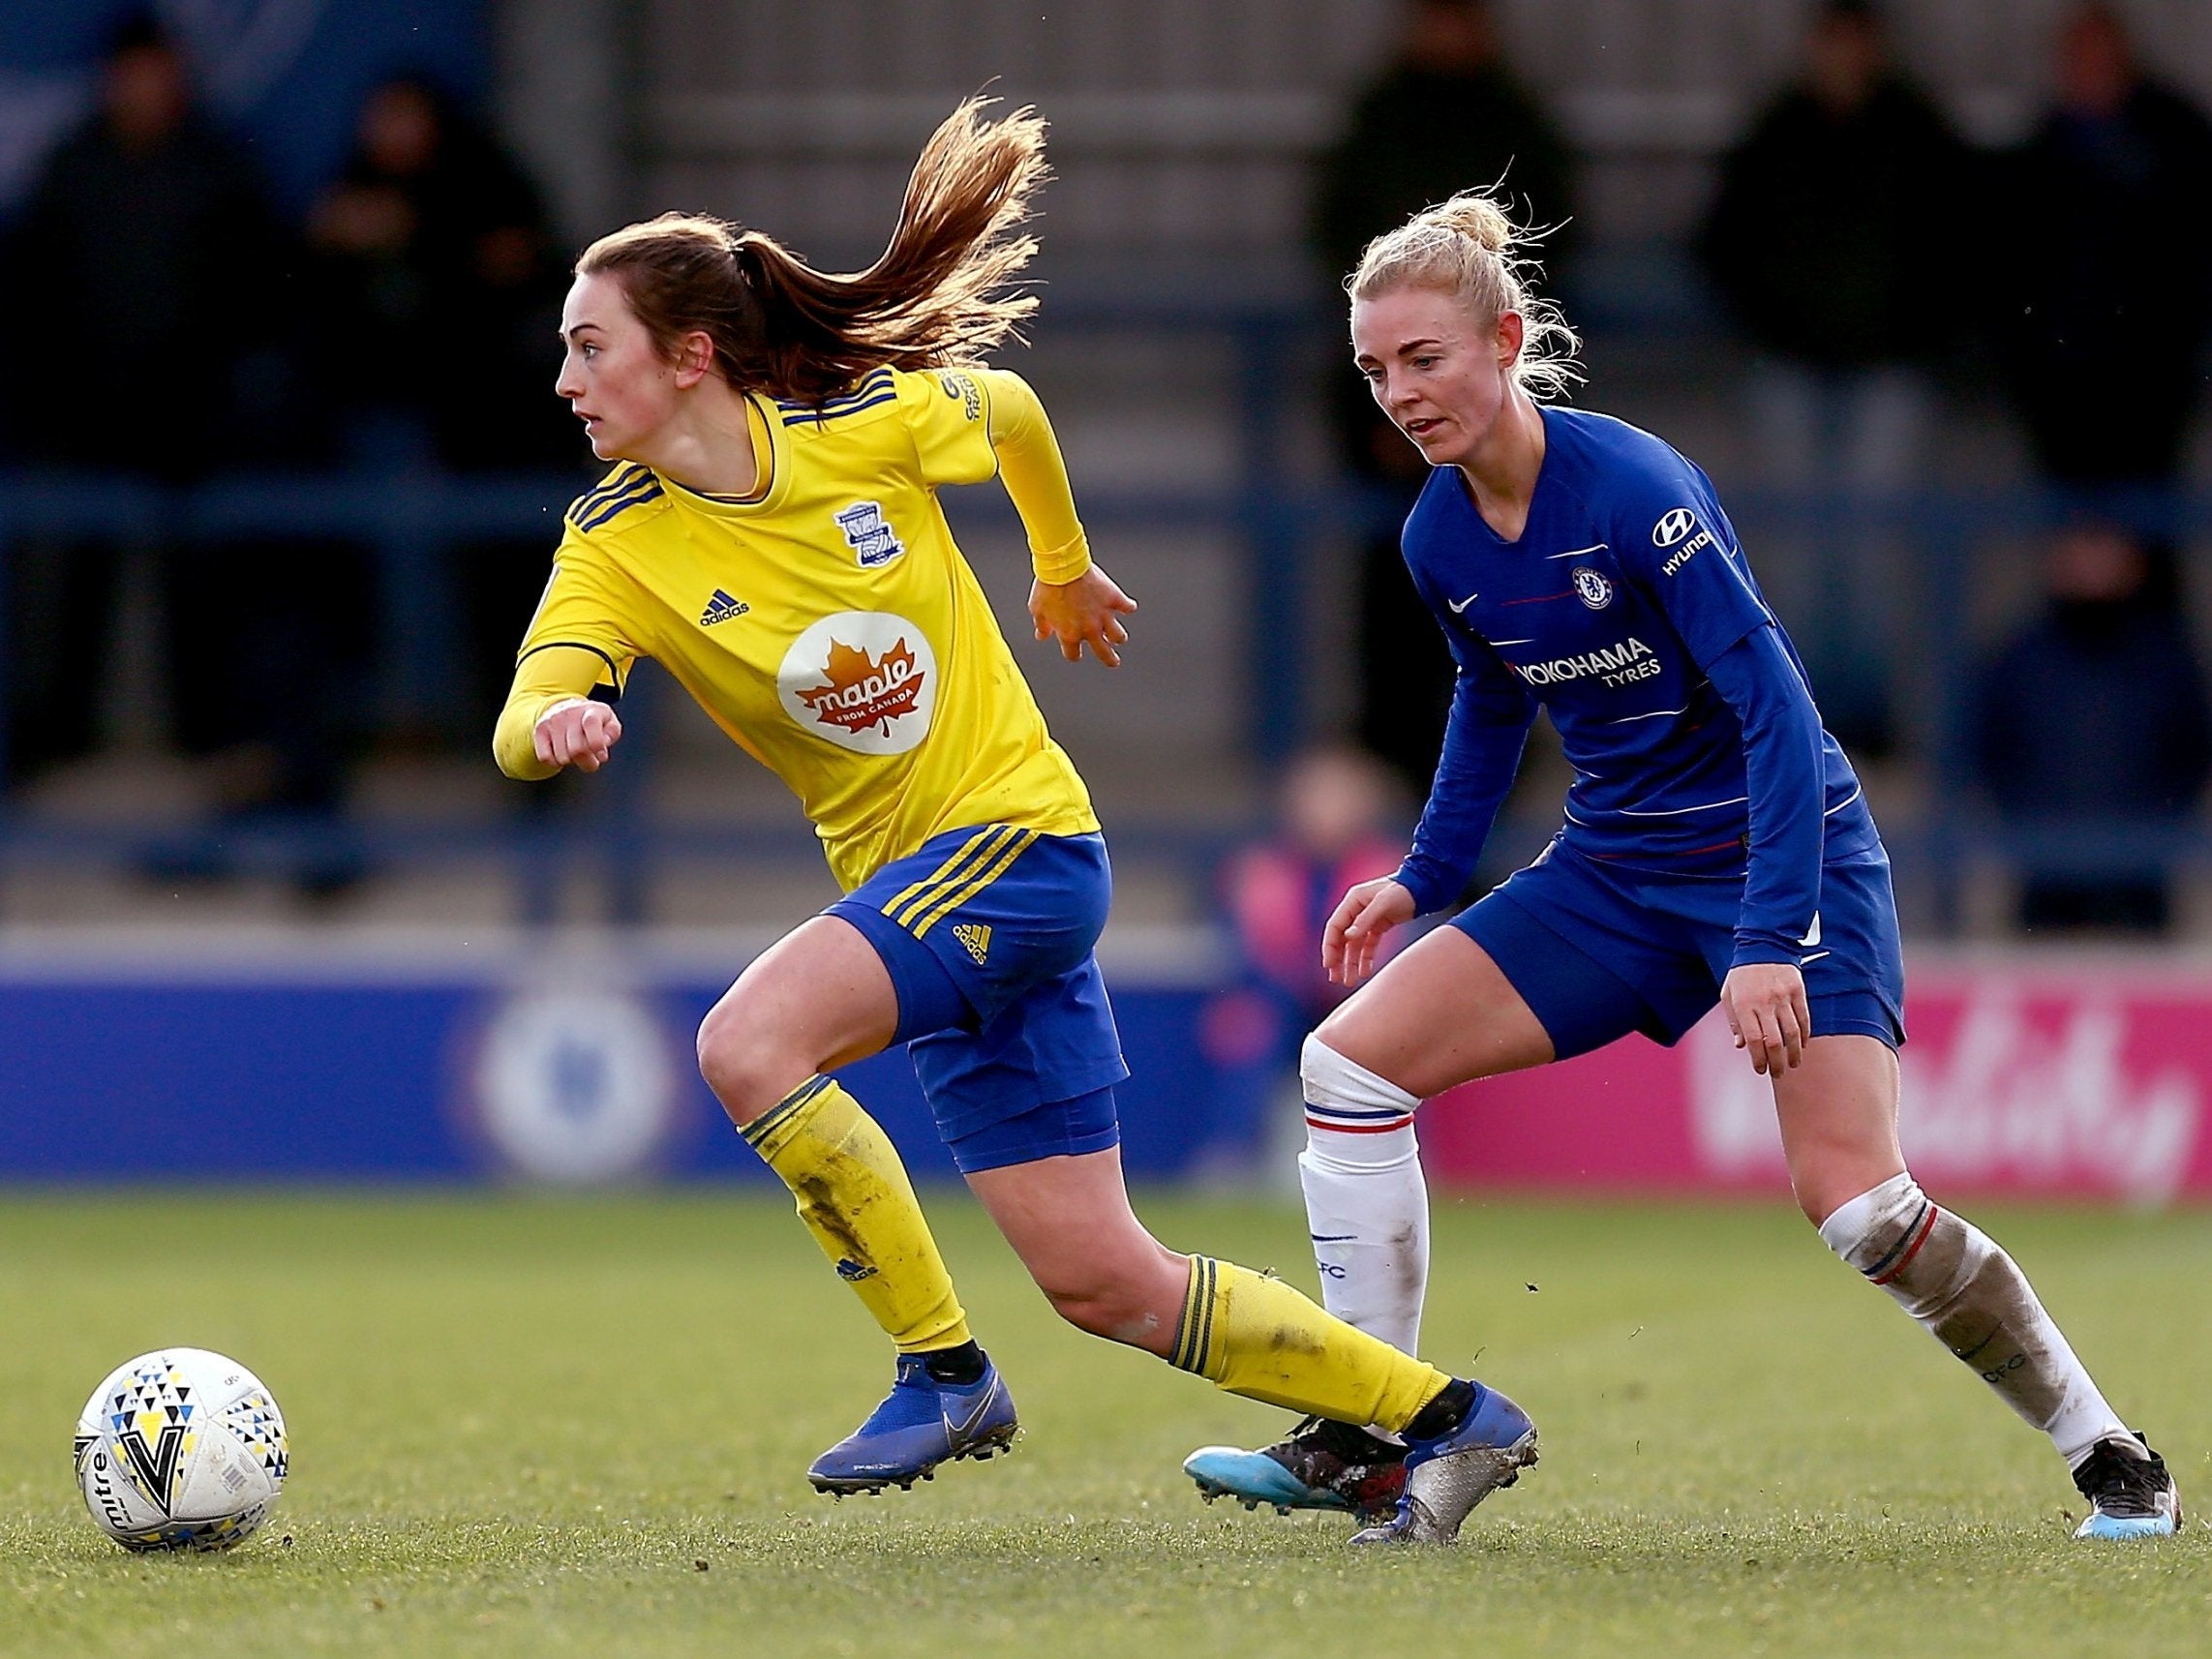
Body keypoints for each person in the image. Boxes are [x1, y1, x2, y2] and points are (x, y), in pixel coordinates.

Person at [493, 100, 1531, 1540]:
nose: (563, 377)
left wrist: (1062, 567)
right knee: (1105, 1279)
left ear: (690, 357)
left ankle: (944, 1369)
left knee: (746, 1042)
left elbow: (1012, 410)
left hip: (1018, 848)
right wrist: (554, 723)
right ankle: (1444, 1415)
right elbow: (532, 691)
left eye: (585, 343)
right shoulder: (614, 539)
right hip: (934, 898)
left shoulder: (857, 432)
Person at [1180, 190, 2180, 1543]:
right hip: (1617, 869)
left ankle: (2111, 1451)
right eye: (1375, 369)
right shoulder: (1436, 534)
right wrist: (1424, 871)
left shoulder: (1635, 490)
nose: (1401, 392)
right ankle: (1374, 1429)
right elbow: (1490, 699)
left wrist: (1769, 935)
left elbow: (1777, 712)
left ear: (1505, 339)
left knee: (1864, 1210)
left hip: (1789, 855)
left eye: (1424, 358)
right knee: (1349, 1067)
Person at [1313, 0, 1575, 800]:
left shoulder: (1516, 123)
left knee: (1512, 583)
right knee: (1399, 586)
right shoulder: (1378, 123)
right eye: (1379, 370)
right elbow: (1337, 244)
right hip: (1395, 463)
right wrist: (1400, 400)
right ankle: (1397, 746)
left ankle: (1514, 763)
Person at [1696, 0, 1970, 755]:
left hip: (1887, 367)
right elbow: (1720, 240)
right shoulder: (1778, 132)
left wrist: (1916, 331)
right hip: (1790, 367)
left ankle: (1867, 717)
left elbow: (1962, 242)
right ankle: (1803, 710)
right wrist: (1770, 323)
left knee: (1872, 547)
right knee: (1792, 549)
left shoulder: (1915, 131)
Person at [1984, 2, 2212, 491]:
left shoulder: (2176, 139)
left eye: (2099, 56)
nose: (2088, 70)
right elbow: (2016, 267)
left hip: (2152, 374)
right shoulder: (2043, 148)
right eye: (2077, 58)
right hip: (2062, 379)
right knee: (2069, 526)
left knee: (2143, 525)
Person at [1972, 523, 2212, 935]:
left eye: (2106, 547)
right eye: (2081, 546)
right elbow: (1988, 747)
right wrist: (2024, 821)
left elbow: (2192, 749)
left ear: (2134, 562)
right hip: (2044, 877)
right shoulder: (2021, 659)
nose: (2092, 564)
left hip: (2141, 879)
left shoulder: (2164, 660)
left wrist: (2161, 820)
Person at [1197, 745, 1408, 1176]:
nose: (1324, 812)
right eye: (1315, 798)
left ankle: (1389, 1168)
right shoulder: (1260, 867)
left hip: (1361, 996)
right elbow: (1249, 949)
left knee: (1390, 1032)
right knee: (1250, 1023)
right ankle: (1234, 1162)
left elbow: (1398, 951)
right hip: (1280, 997)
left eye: (1337, 798)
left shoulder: (1392, 868)